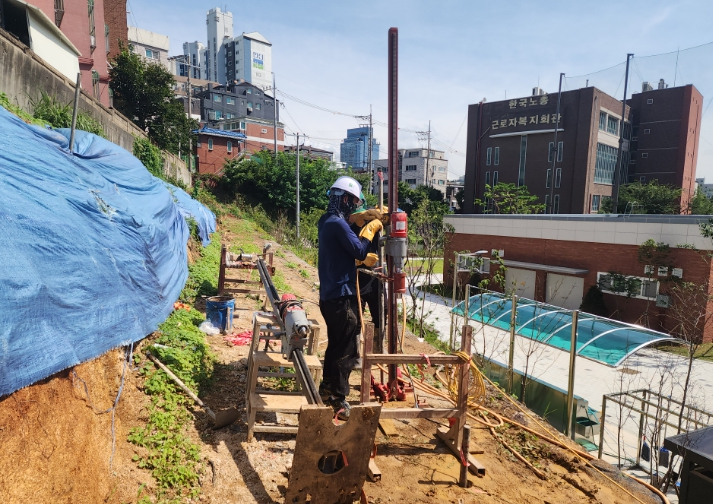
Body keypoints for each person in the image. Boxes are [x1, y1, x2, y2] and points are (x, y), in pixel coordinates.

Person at [318, 176, 383, 420]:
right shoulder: (338, 224)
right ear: (345, 199)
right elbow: (359, 250)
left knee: (336, 343)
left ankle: (327, 386)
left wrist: (358, 218)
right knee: (347, 348)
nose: (354, 207)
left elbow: (342, 240)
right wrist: (369, 230)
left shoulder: (325, 220)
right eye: (353, 202)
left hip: (329, 296)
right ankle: (338, 398)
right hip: (342, 295)